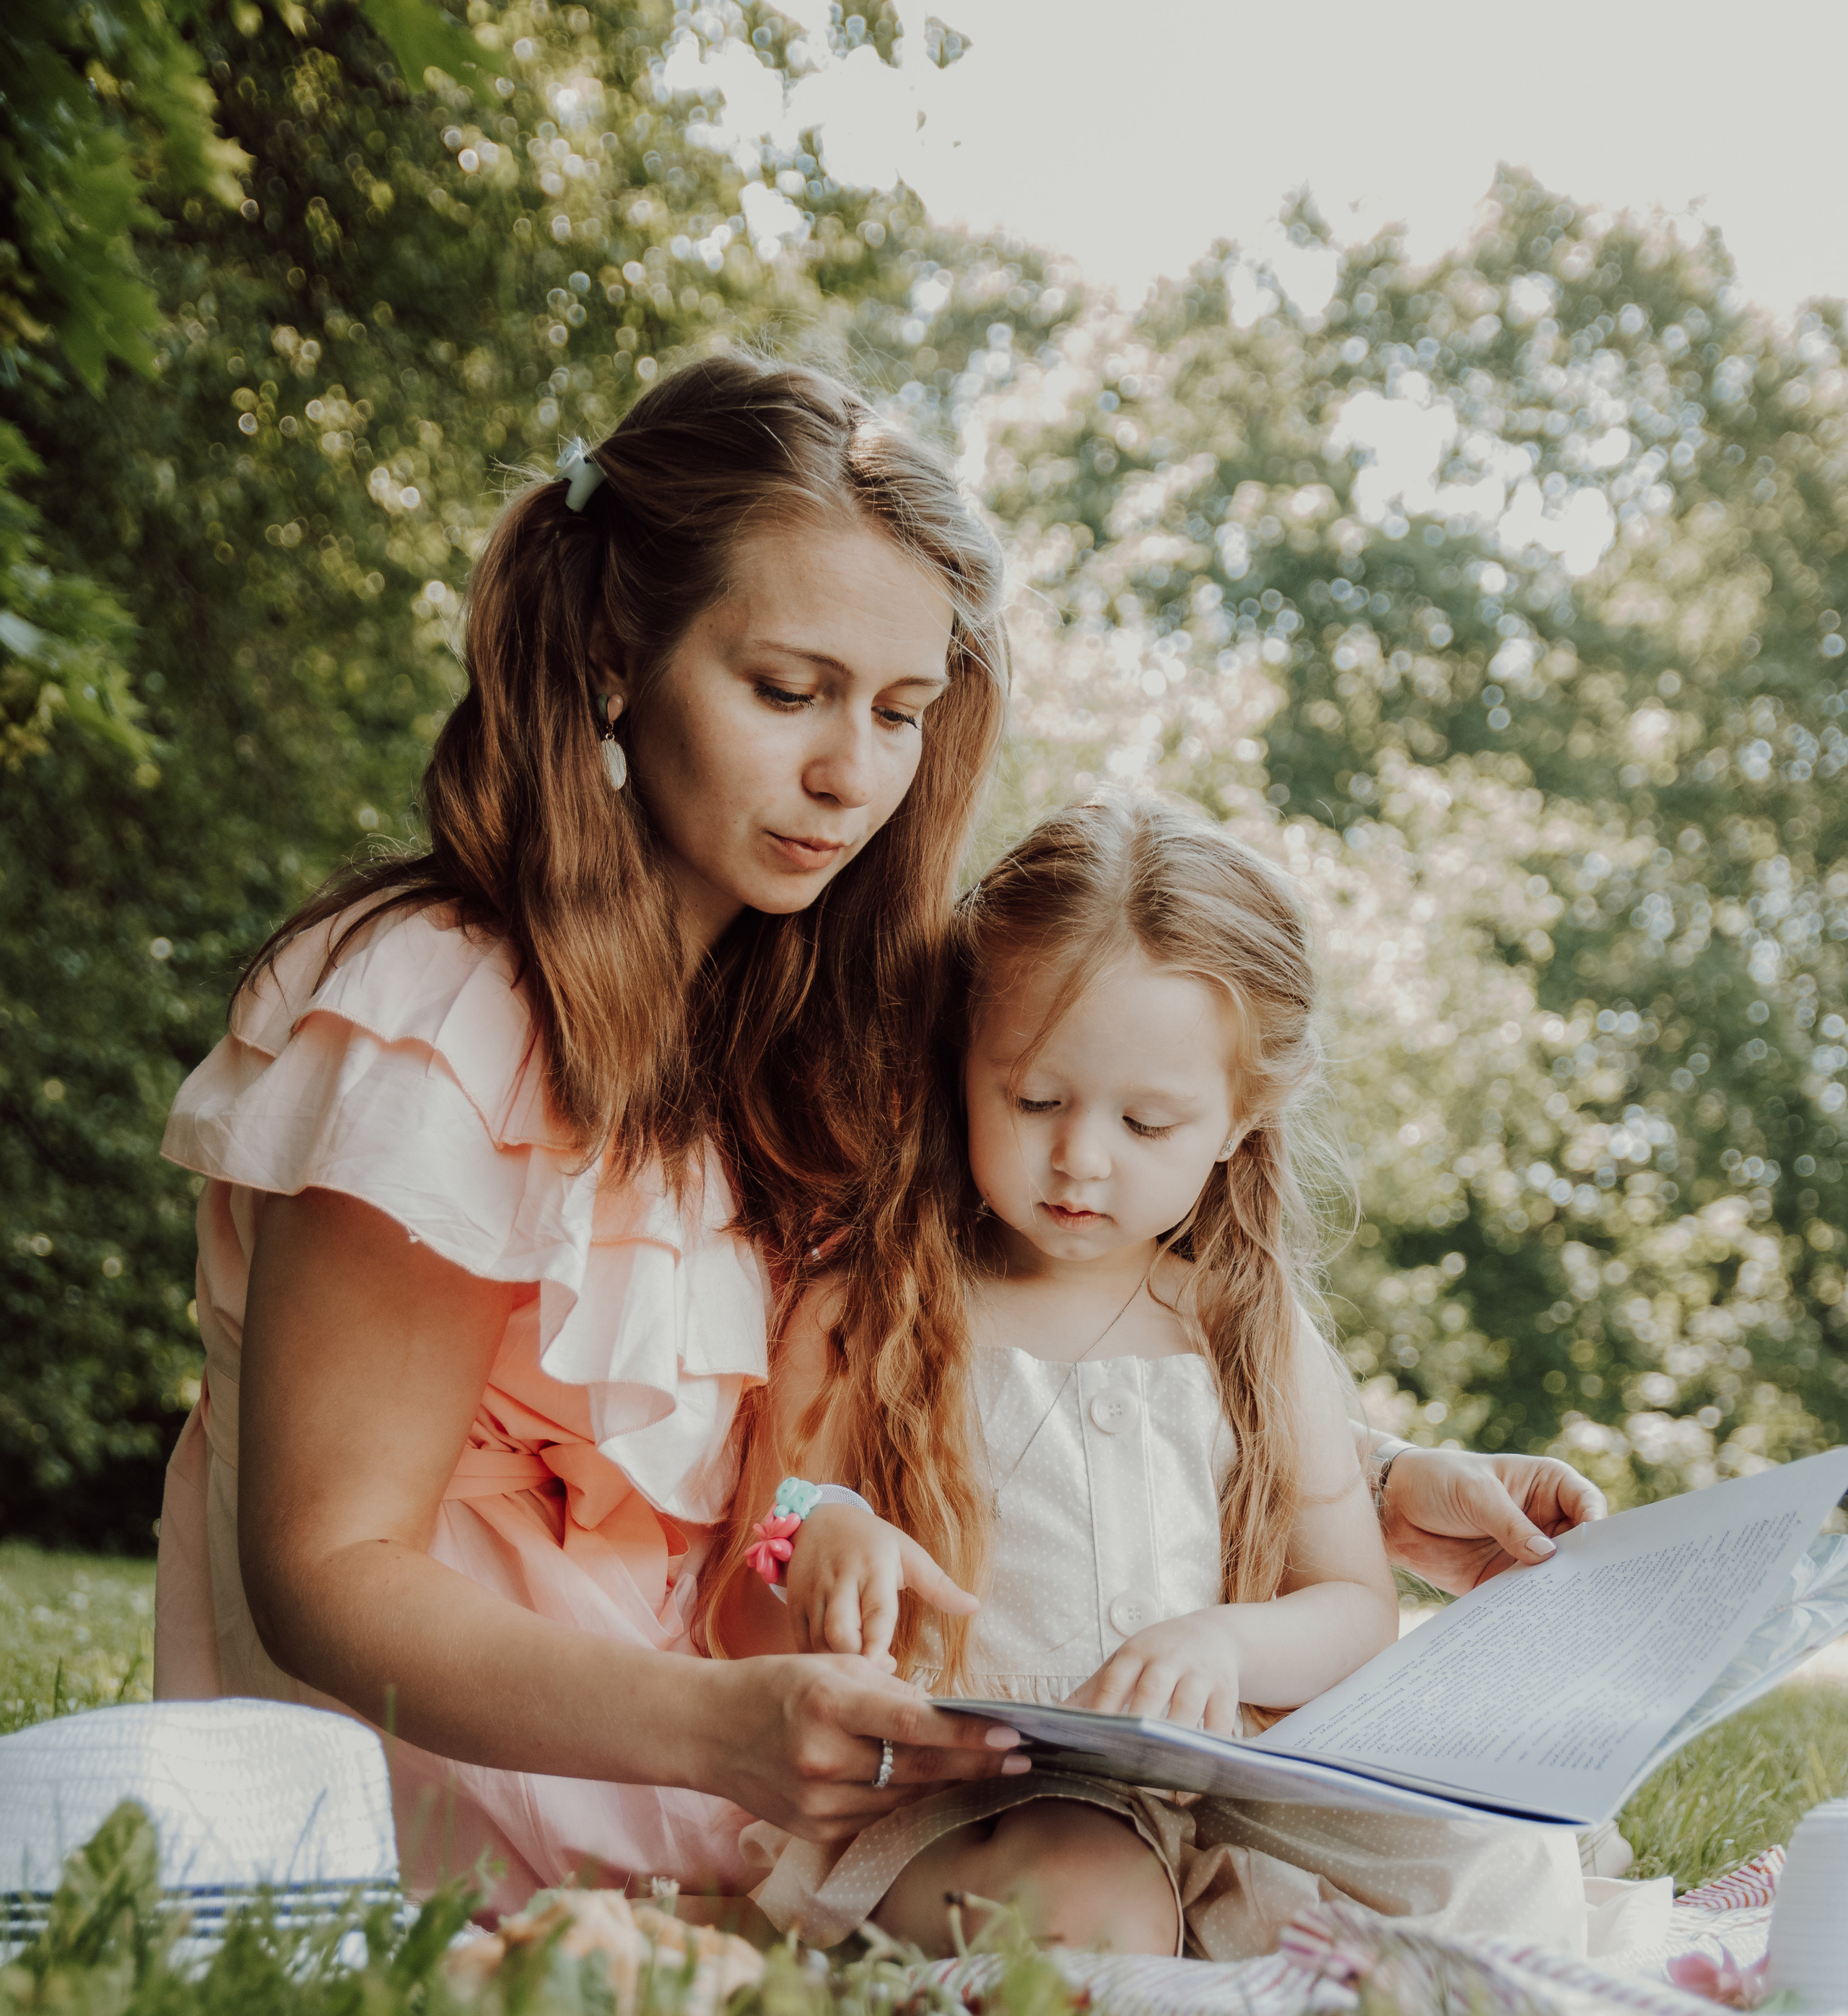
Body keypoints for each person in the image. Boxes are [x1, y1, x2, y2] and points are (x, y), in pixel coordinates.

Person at [152, 349, 1605, 1919]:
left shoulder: (814, 1009)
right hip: (510, 1770)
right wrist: (718, 1729)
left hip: (770, 1749)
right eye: (787, 693)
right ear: (612, 656)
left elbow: (1011, 1336)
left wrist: (1373, 1483)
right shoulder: (445, 1015)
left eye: (901, 712)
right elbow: (324, 1573)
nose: (851, 776)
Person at [731, 796, 1605, 1962]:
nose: (1080, 1159)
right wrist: (821, 1533)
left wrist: (1227, 1647)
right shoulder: (868, 1313)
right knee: (1090, 1901)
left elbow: (1354, 1610)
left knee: (1502, 1861)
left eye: (1148, 1124)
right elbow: (745, 1595)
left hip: (1226, 1802)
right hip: (965, 1804)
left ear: (1240, 1120)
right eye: (1035, 1100)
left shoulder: (1245, 1331)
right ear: (961, 1064)